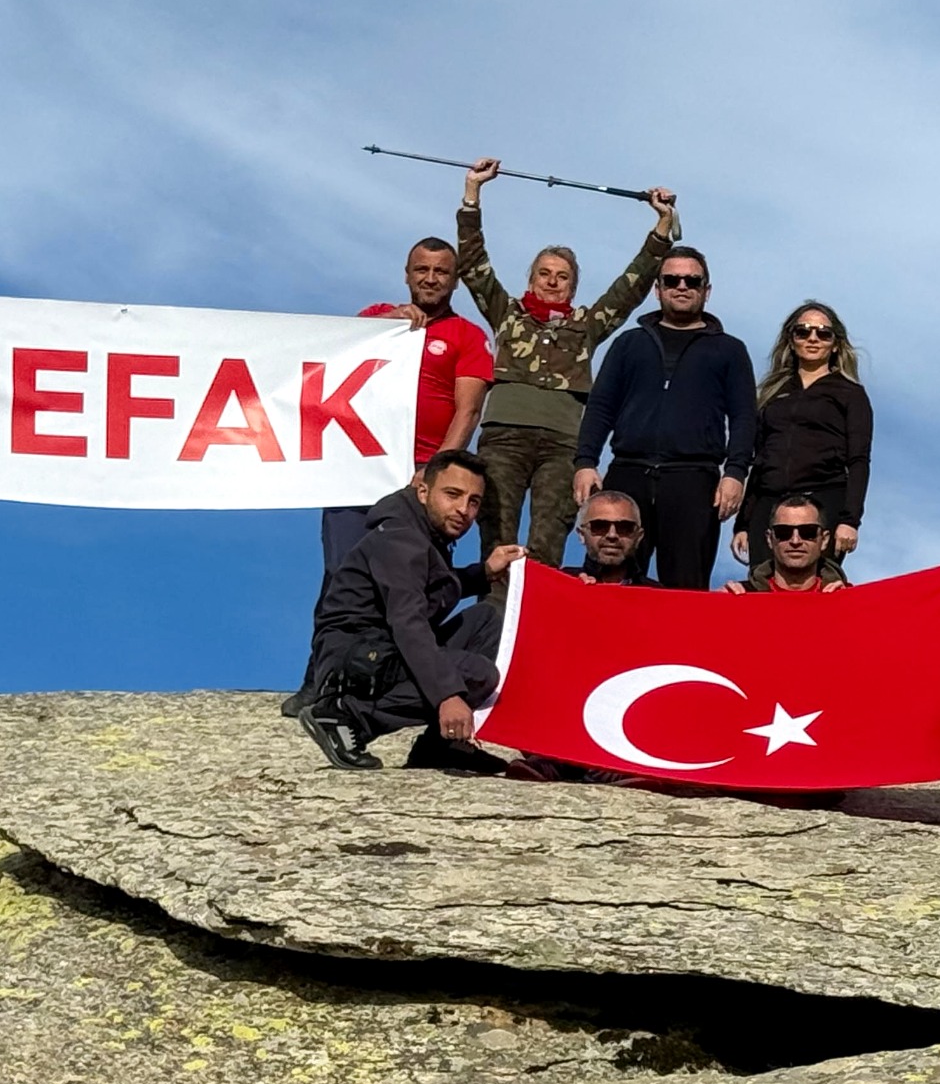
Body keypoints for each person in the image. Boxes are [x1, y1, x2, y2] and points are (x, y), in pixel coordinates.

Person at [285, 237, 498, 717]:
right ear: (406, 273)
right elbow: (328, 356)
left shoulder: (466, 335)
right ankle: (319, 680)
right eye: (421, 269)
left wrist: (436, 476)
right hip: (358, 468)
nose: (430, 278)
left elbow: (467, 412)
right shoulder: (378, 316)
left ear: (456, 278)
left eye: (441, 271)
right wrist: (386, 326)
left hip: (420, 478)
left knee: (415, 586)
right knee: (343, 574)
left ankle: (381, 684)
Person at [455, 157, 676, 567]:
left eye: (563, 276)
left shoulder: (586, 324)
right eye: (544, 273)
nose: (552, 281)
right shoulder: (508, 314)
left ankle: (539, 616)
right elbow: (472, 266)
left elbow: (629, 288)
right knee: (497, 534)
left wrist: (661, 228)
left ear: (573, 286)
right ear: (531, 279)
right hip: (504, 436)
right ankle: (496, 616)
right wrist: (473, 193)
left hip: (562, 443)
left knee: (549, 539)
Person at [300, 450, 525, 773]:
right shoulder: (400, 538)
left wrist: (484, 572)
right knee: (477, 674)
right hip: (356, 661)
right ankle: (346, 716)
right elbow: (409, 622)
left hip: (381, 652)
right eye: (453, 494)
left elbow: (430, 590)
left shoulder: (424, 532)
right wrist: (447, 695)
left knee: (486, 620)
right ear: (423, 491)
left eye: (474, 501)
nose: (464, 510)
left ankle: (440, 746)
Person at [572, 247, 757, 591]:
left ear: (706, 290)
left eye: (692, 280)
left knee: (686, 589)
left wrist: (735, 473)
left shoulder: (729, 350)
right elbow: (601, 406)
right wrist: (585, 461)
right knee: (608, 577)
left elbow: (745, 417)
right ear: (658, 289)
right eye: (672, 280)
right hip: (628, 472)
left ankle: (682, 646)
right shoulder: (629, 343)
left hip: (694, 480)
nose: (682, 286)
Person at [731, 302, 871, 570]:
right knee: (763, 589)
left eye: (823, 333)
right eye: (803, 332)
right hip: (769, 504)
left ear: (836, 343)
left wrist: (850, 521)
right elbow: (760, 459)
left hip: (824, 500)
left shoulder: (850, 394)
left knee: (816, 591)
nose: (813, 339)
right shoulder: (773, 392)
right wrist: (744, 524)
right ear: (791, 340)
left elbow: (859, 461)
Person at [725, 493, 849, 593]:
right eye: (783, 532)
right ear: (769, 539)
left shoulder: (847, 598)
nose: (795, 541)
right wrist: (718, 604)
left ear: (824, 540)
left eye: (808, 532)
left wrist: (848, 606)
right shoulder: (741, 596)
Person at [570, 490, 657, 587]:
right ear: (582, 535)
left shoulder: (659, 596)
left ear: (639, 536)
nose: (612, 535)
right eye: (599, 526)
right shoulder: (560, 585)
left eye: (624, 527)